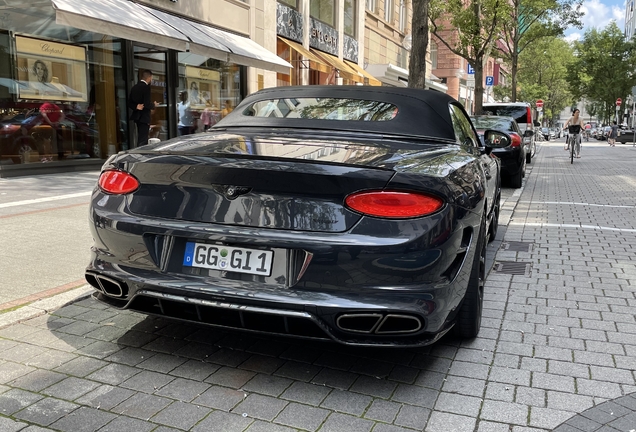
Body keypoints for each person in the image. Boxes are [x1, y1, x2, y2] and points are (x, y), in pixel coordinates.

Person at [128, 70, 158, 146]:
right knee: (143, 139)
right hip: (144, 117)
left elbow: (129, 102)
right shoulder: (146, 88)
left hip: (137, 117)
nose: (151, 80)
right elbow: (147, 104)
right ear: (149, 77)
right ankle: (141, 155)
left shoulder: (134, 87)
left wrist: (136, 107)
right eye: (151, 78)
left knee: (140, 137)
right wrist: (154, 105)